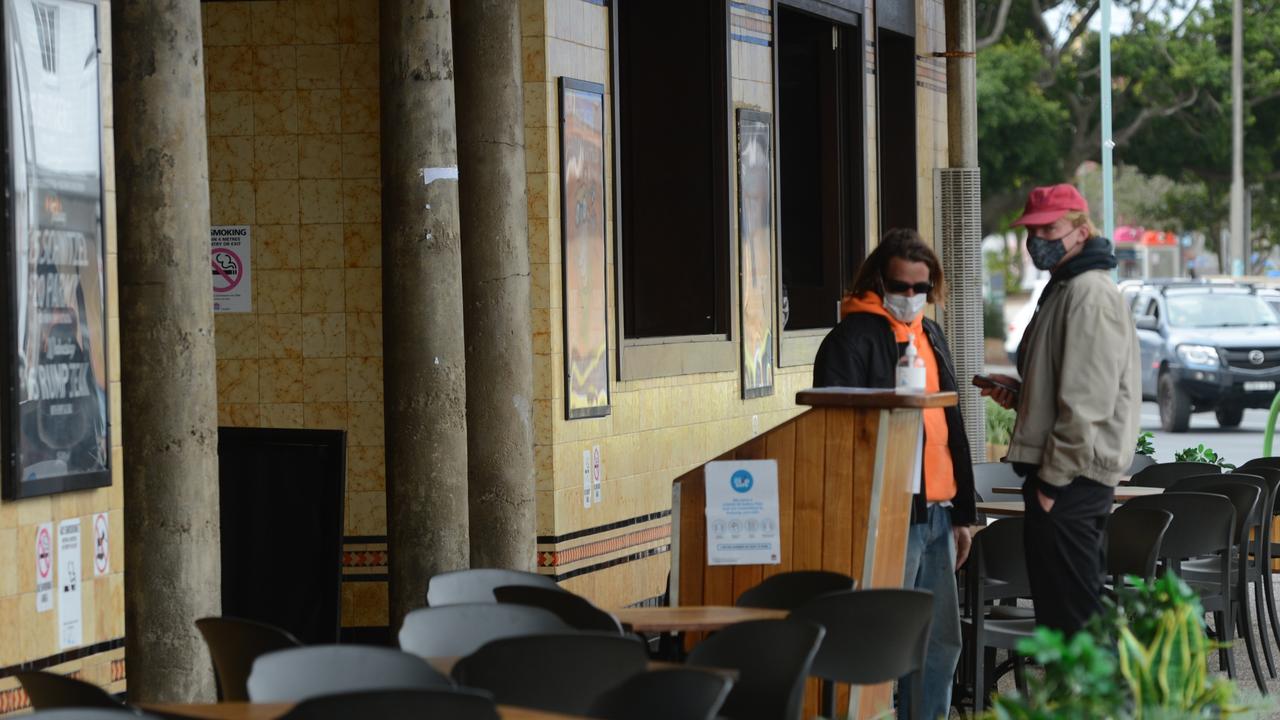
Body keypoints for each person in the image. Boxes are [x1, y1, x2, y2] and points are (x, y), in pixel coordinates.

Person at [813, 228, 975, 720]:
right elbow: (836, 430)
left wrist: (963, 512)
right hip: (886, 511)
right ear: (878, 279)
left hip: (938, 511)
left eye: (920, 288)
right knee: (881, 638)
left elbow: (950, 423)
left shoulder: (931, 333)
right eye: (900, 286)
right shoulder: (852, 337)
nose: (910, 297)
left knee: (940, 640)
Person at [979, 183, 1141, 636]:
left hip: (1072, 479)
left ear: (1081, 230)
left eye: (1049, 228)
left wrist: (1051, 484)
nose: (1037, 240)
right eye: (1032, 230)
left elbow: (1087, 402)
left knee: (1075, 622)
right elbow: (1067, 382)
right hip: (1066, 478)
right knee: (1063, 617)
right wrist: (1025, 393)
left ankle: (1105, 707)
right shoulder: (1065, 286)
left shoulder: (1088, 292)